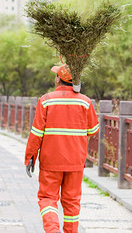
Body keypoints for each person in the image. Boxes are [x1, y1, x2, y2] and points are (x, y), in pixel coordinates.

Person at [24, 64, 100, 233]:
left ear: (58, 79)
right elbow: (93, 130)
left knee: (47, 198)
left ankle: (52, 230)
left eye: (55, 75)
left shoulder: (45, 100)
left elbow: (36, 133)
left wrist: (30, 157)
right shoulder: (85, 102)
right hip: (75, 162)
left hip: (51, 161)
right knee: (72, 201)